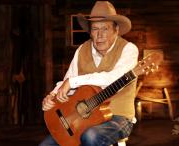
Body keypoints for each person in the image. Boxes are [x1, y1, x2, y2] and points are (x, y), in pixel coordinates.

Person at [40, 1, 139, 146]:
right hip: (81, 118)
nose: (99, 35)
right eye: (95, 29)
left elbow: (113, 79)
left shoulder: (128, 49)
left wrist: (73, 82)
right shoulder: (81, 50)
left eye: (105, 29)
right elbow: (66, 82)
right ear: (90, 31)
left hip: (118, 117)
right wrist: (53, 96)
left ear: (116, 30)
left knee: (91, 136)